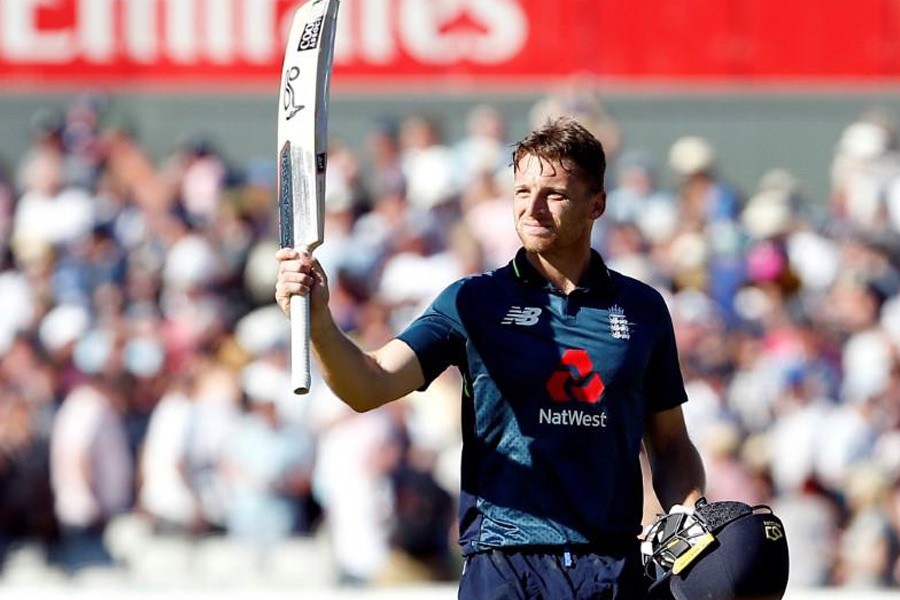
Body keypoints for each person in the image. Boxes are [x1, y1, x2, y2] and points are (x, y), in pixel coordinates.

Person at [275, 116, 706, 599]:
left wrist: (689, 514)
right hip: (503, 567)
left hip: (610, 567)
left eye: (554, 194)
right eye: (522, 192)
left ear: (596, 204)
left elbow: (670, 444)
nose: (532, 208)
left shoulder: (642, 308)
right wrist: (318, 323)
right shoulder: (472, 302)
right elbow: (367, 384)